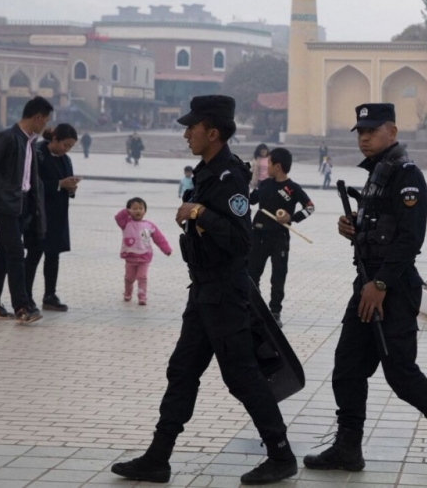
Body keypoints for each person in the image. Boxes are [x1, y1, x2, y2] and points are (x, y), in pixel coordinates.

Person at [111, 95, 297, 485]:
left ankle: (281, 455)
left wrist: (200, 212)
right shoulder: (206, 172)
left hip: (225, 293)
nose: (186, 134)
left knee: (242, 376)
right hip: (204, 291)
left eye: (192, 128)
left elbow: (241, 240)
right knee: (182, 371)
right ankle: (157, 458)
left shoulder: (230, 177)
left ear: (212, 133)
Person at [304, 103, 427, 479]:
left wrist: (381, 284)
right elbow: (382, 229)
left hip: (392, 289)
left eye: (372, 131)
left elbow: (410, 238)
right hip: (367, 285)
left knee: (401, 374)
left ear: (393, 132)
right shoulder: (377, 174)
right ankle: (348, 447)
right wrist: (354, 228)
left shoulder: (406, 175)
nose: (364, 138)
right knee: (347, 368)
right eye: (361, 132)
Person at [0, 96, 52, 324]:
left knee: (4, 254)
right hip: (4, 204)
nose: (46, 124)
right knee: (15, 253)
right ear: (37, 117)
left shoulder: (29, 141)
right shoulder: (6, 138)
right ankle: (22, 307)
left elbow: (29, 177)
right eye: (45, 120)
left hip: (20, 205)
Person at [249, 147, 314, 327]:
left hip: (280, 237)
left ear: (277, 166)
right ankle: (255, 307)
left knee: (278, 275)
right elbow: (250, 200)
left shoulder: (292, 188)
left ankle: (275, 311)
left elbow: (310, 207)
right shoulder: (264, 184)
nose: (266, 166)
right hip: (258, 235)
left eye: (269, 163)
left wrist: (291, 218)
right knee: (252, 273)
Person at [25, 124, 80, 312]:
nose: (67, 149)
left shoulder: (66, 159)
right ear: (54, 139)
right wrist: (58, 184)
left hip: (58, 215)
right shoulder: (37, 154)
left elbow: (66, 184)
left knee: (53, 255)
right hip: (38, 214)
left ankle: (50, 295)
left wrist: (71, 187)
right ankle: (25, 296)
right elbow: (32, 184)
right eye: (65, 145)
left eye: (70, 146)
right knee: (33, 255)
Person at [115, 197, 172, 305]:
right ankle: (127, 292)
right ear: (129, 211)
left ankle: (142, 296)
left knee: (142, 277)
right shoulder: (125, 223)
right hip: (130, 256)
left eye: (141, 208)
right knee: (129, 277)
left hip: (144, 256)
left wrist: (166, 249)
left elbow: (159, 238)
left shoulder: (149, 226)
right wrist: (126, 212)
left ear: (145, 211)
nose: (138, 211)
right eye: (134, 208)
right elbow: (118, 218)